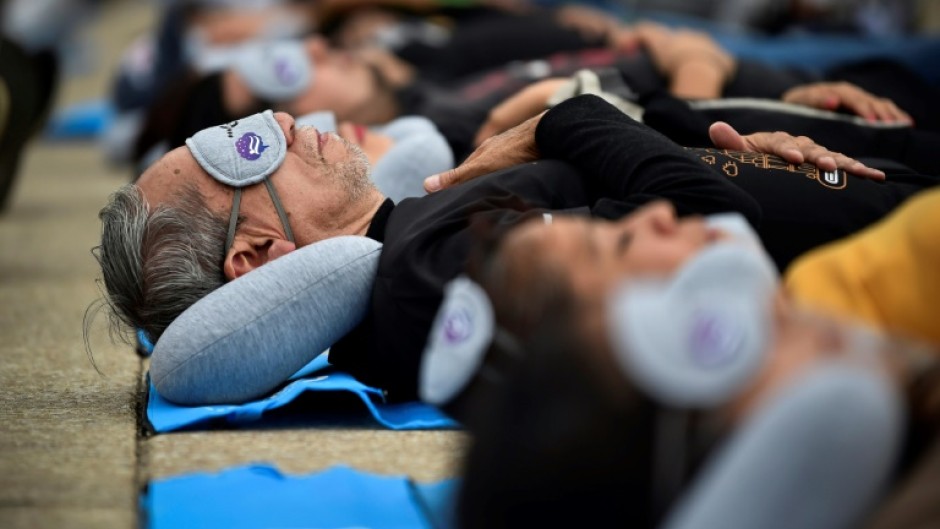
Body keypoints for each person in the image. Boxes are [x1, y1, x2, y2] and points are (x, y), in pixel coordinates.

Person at [94, 94, 930, 407]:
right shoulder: (428, 278)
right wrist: (558, 120)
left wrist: (735, 132)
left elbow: (671, 175)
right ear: (257, 255)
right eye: (246, 154)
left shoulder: (423, 230)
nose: (277, 122)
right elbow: (720, 230)